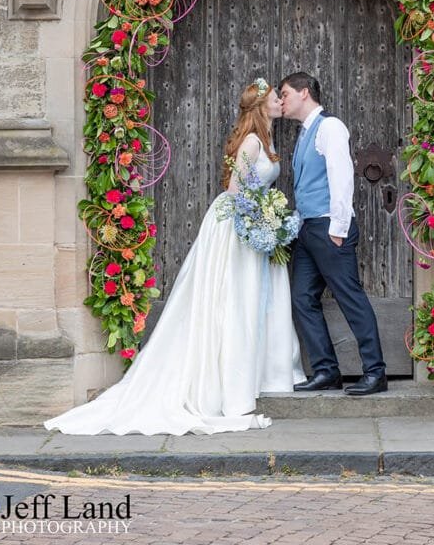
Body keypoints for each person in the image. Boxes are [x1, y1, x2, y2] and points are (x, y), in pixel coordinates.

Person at [45, 78, 304, 436]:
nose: (280, 101)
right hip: (235, 225)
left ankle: (258, 373)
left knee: (251, 300)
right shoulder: (251, 142)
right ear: (261, 105)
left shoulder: (267, 140)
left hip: (252, 225)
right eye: (276, 97)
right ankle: (226, 384)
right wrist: (264, 215)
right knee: (232, 300)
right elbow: (235, 190)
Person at [280, 71, 387, 396]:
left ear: (303, 93)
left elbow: (341, 178)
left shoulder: (330, 127)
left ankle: (375, 372)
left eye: (284, 93)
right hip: (309, 230)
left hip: (329, 228)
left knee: (350, 298)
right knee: (302, 299)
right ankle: (326, 370)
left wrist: (338, 229)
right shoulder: (305, 133)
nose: (281, 101)